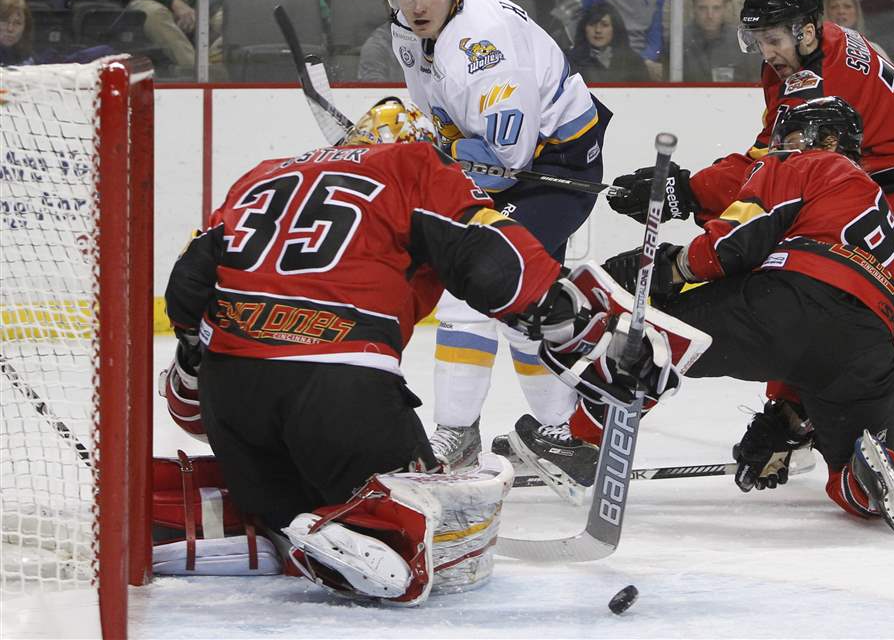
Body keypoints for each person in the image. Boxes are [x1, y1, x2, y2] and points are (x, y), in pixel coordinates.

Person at [160, 97, 678, 603]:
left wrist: (199, 365)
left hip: (232, 396)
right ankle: (374, 534)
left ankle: (265, 525)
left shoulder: (261, 175)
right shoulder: (412, 164)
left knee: (281, 503)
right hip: (338, 387)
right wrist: (580, 327)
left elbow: (187, 285)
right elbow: (488, 259)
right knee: (431, 527)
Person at [607, 0, 894, 503]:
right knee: (810, 281)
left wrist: (687, 190)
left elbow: (777, 166)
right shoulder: (799, 59)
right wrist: (689, 190)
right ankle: (798, 418)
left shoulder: (826, 77)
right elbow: (774, 158)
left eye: (773, 39)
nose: (766, 52)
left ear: (807, 30)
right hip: (876, 182)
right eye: (757, 40)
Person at [604, 97, 894, 533]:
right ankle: (865, 479)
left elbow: (735, 242)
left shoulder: (807, 163)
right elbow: (827, 337)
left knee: (651, 338)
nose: (779, 147)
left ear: (828, 140)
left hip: (790, 302)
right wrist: (785, 422)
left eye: (791, 137)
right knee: (847, 468)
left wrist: (669, 266)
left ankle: (579, 441)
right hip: (871, 350)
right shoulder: (881, 214)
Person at [384, 0, 614, 490]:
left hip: (554, 168)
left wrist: (428, 164)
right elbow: (436, 117)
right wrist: (426, 146)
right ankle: (561, 433)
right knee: (522, 304)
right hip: (506, 160)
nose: (416, 5)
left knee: (478, 289)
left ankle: (461, 435)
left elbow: (504, 166)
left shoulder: (485, 49)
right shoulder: (409, 29)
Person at [0, 0, 112, 64]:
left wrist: (108, 51)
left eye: (17, 23)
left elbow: (70, 60)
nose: (10, 29)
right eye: (4, 21)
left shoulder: (33, 56)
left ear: (25, 27)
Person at [683, 0, 758, 81]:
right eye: (703, 8)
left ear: (724, 9)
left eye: (716, 8)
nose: (710, 15)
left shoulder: (742, 40)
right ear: (694, 9)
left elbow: (755, 80)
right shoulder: (681, 41)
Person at [567, 0, 649, 82]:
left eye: (604, 25)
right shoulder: (570, 60)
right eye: (592, 24)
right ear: (584, 28)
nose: (598, 30)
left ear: (615, 29)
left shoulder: (633, 61)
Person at [823, 0, 887, 57]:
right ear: (826, 13)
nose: (841, 11)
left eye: (847, 6)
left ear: (857, 13)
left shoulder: (874, 49)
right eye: (834, 7)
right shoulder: (817, 50)